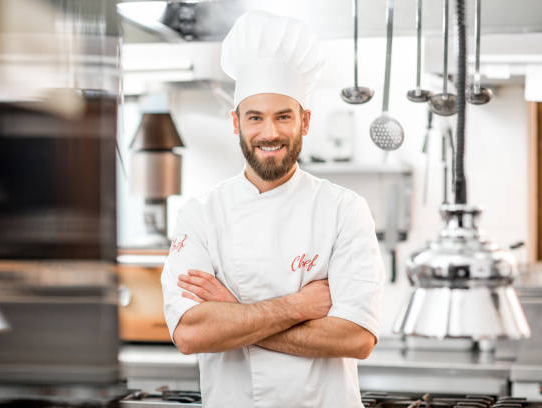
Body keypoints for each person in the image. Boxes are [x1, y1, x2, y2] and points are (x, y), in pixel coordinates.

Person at [161, 10, 385, 408]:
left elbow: (355, 338)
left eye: (284, 117)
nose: (270, 133)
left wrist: (233, 314)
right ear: (235, 123)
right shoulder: (200, 215)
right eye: (255, 118)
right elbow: (192, 334)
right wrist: (299, 306)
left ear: (305, 121)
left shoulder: (344, 209)